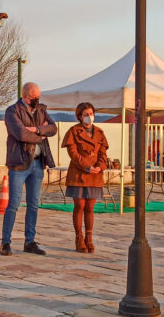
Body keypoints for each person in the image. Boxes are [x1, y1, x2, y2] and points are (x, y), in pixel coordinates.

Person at [0, 82, 57, 256]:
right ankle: (5, 242)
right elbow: (20, 134)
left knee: (33, 204)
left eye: (38, 97)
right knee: (14, 204)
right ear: (25, 96)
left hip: (38, 163)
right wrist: (41, 135)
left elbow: (53, 128)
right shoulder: (12, 111)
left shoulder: (41, 110)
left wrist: (37, 129)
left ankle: (29, 241)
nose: (37, 100)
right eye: (34, 97)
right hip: (20, 162)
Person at [61, 102, 108, 253]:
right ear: (79, 116)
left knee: (90, 207)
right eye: (86, 114)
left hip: (95, 175)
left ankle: (89, 238)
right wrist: (86, 167)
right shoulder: (73, 131)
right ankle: (79, 237)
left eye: (91, 113)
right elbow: (73, 154)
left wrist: (100, 167)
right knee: (79, 206)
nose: (89, 117)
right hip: (79, 174)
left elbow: (103, 154)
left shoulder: (100, 132)